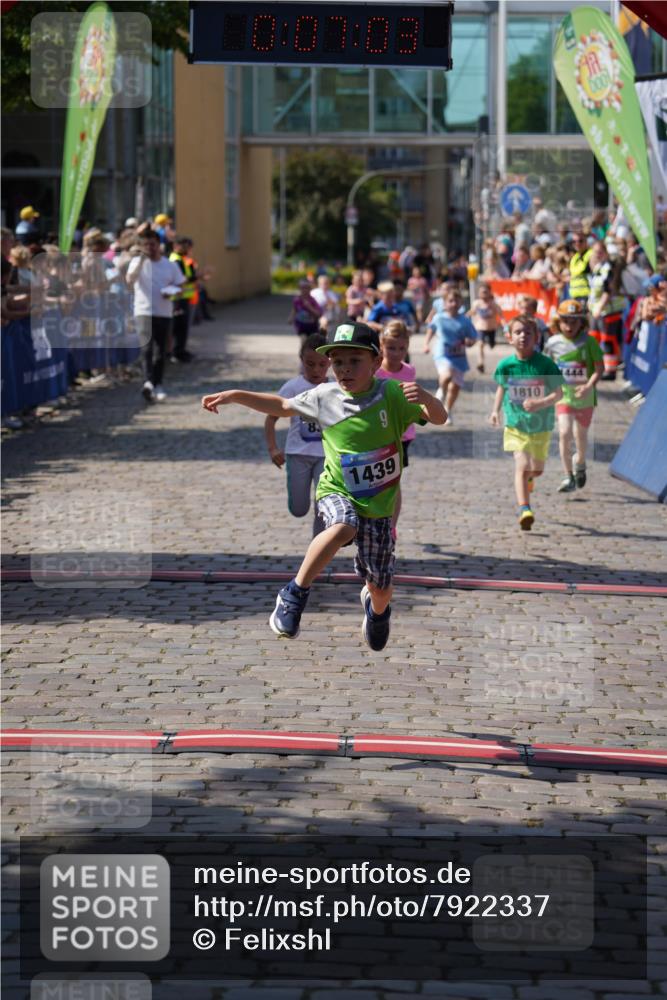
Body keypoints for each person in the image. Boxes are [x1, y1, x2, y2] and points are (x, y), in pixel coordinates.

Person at [202, 322, 446, 649]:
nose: (344, 368)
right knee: (343, 526)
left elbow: (440, 417)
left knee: (381, 586)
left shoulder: (391, 394)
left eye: (354, 361)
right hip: (336, 489)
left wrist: (428, 398)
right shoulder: (324, 395)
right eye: (338, 361)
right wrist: (235, 395)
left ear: (375, 362)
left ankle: (377, 611)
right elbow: (282, 406)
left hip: (379, 504)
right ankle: (293, 594)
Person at [489, 315, 564, 531]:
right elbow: (502, 388)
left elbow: (559, 393)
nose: (523, 336)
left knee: (537, 470)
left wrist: (541, 402)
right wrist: (495, 411)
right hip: (516, 425)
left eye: (528, 333)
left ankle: (530, 480)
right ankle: (525, 509)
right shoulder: (506, 365)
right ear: (509, 338)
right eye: (518, 332)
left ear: (537, 337)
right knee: (521, 466)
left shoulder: (546, 364)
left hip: (541, 425)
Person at [264, 333, 330, 537]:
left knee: (324, 505)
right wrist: (273, 448)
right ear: (301, 360)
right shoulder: (293, 387)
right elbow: (271, 419)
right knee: (299, 509)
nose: (316, 370)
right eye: (310, 364)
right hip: (297, 454)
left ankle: (317, 548)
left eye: (322, 364)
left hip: (327, 456)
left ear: (330, 362)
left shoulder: (336, 387)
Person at [543, 299, 604, 493]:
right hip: (564, 396)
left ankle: (581, 462)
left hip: (585, 397)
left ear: (582, 323)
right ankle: (568, 475)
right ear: (558, 322)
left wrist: (588, 386)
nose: (569, 326)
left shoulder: (589, 342)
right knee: (564, 432)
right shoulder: (553, 343)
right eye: (565, 321)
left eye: (574, 322)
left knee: (581, 437)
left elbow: (599, 369)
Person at [125, 227, 184, 403]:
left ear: (159, 245)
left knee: (161, 351)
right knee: (146, 349)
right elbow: (129, 281)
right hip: (143, 311)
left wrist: (172, 293)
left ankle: (158, 383)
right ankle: (148, 383)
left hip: (164, 312)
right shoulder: (137, 261)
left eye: (152, 244)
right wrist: (141, 262)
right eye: (146, 245)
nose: (149, 248)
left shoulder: (169, 265)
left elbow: (180, 286)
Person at [375, 320, 417, 540]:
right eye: (391, 348)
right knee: (376, 481)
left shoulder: (409, 371)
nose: (396, 353)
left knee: (394, 481)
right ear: (381, 345)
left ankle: (391, 526)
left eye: (401, 348)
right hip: (376, 434)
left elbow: (409, 404)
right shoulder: (375, 373)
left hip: (402, 436)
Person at [423, 288, 476, 425]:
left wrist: (470, 342)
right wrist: (426, 344)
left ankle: (447, 410)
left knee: (455, 387)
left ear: (461, 303)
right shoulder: (439, 318)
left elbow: (473, 337)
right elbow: (431, 329)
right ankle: (441, 390)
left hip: (459, 356)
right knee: (446, 375)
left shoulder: (465, 320)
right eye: (450, 301)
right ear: (444, 303)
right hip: (442, 353)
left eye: (456, 301)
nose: (453, 304)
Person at [588, 240, 625, 380]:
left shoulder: (608, 268)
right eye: (595, 252)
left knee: (608, 340)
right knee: (595, 338)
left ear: (605, 253)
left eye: (600, 252)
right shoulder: (598, 267)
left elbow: (608, 290)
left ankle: (610, 371)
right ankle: (598, 367)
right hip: (597, 310)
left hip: (608, 311)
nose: (597, 254)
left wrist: (599, 306)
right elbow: (594, 289)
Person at [169, 235, 198, 361]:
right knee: (179, 327)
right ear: (176, 246)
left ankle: (181, 350)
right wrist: (198, 276)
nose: (188, 249)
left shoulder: (183, 259)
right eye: (185, 246)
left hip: (185, 296)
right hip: (178, 298)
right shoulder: (176, 260)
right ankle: (177, 352)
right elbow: (181, 279)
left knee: (183, 326)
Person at [468, 282, 505, 373]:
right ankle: (480, 363)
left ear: (489, 293)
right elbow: (471, 313)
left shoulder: (494, 304)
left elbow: (501, 316)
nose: (483, 294)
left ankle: (492, 343)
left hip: (491, 328)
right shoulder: (476, 303)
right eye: (481, 292)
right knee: (480, 344)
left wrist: (506, 326)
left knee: (492, 345)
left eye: (485, 292)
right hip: (480, 327)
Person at [289, 278, 322, 346]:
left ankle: (309, 354)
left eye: (307, 288)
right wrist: (291, 318)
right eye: (302, 288)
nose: (304, 290)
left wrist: (309, 307)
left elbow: (319, 314)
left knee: (311, 343)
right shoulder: (297, 300)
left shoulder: (313, 300)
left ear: (310, 289)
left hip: (312, 326)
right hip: (301, 326)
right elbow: (295, 309)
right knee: (303, 340)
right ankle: (303, 354)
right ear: (299, 289)